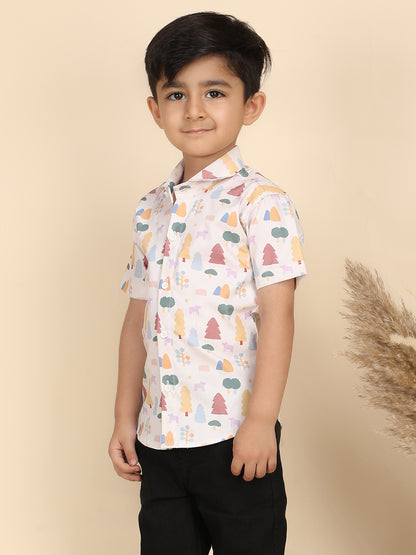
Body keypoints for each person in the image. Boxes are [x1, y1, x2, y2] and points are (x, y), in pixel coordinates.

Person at [108, 12, 306, 555]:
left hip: (233, 436)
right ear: (156, 110)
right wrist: (125, 417)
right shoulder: (150, 209)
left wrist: (261, 420)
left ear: (251, 105)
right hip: (159, 438)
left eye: (214, 92)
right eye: (176, 95)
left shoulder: (262, 204)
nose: (194, 110)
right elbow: (137, 321)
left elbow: (279, 317)